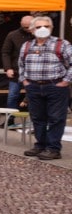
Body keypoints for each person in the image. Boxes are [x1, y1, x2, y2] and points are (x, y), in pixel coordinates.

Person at [18, 15, 72, 161]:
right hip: (34, 87)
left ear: (52, 28)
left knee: (56, 118)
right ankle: (40, 145)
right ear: (31, 29)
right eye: (39, 26)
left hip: (56, 86)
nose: (43, 29)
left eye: (46, 26)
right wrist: (24, 81)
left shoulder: (62, 44)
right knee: (37, 118)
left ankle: (53, 149)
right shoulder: (27, 45)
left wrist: (66, 81)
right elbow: (21, 65)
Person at [1, 15, 34, 112]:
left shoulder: (38, 35)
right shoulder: (13, 35)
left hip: (34, 72)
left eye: (30, 27)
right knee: (12, 96)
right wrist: (8, 68)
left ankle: (34, 121)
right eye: (25, 27)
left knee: (34, 96)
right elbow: (5, 52)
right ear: (21, 24)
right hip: (17, 71)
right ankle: (10, 120)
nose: (28, 29)